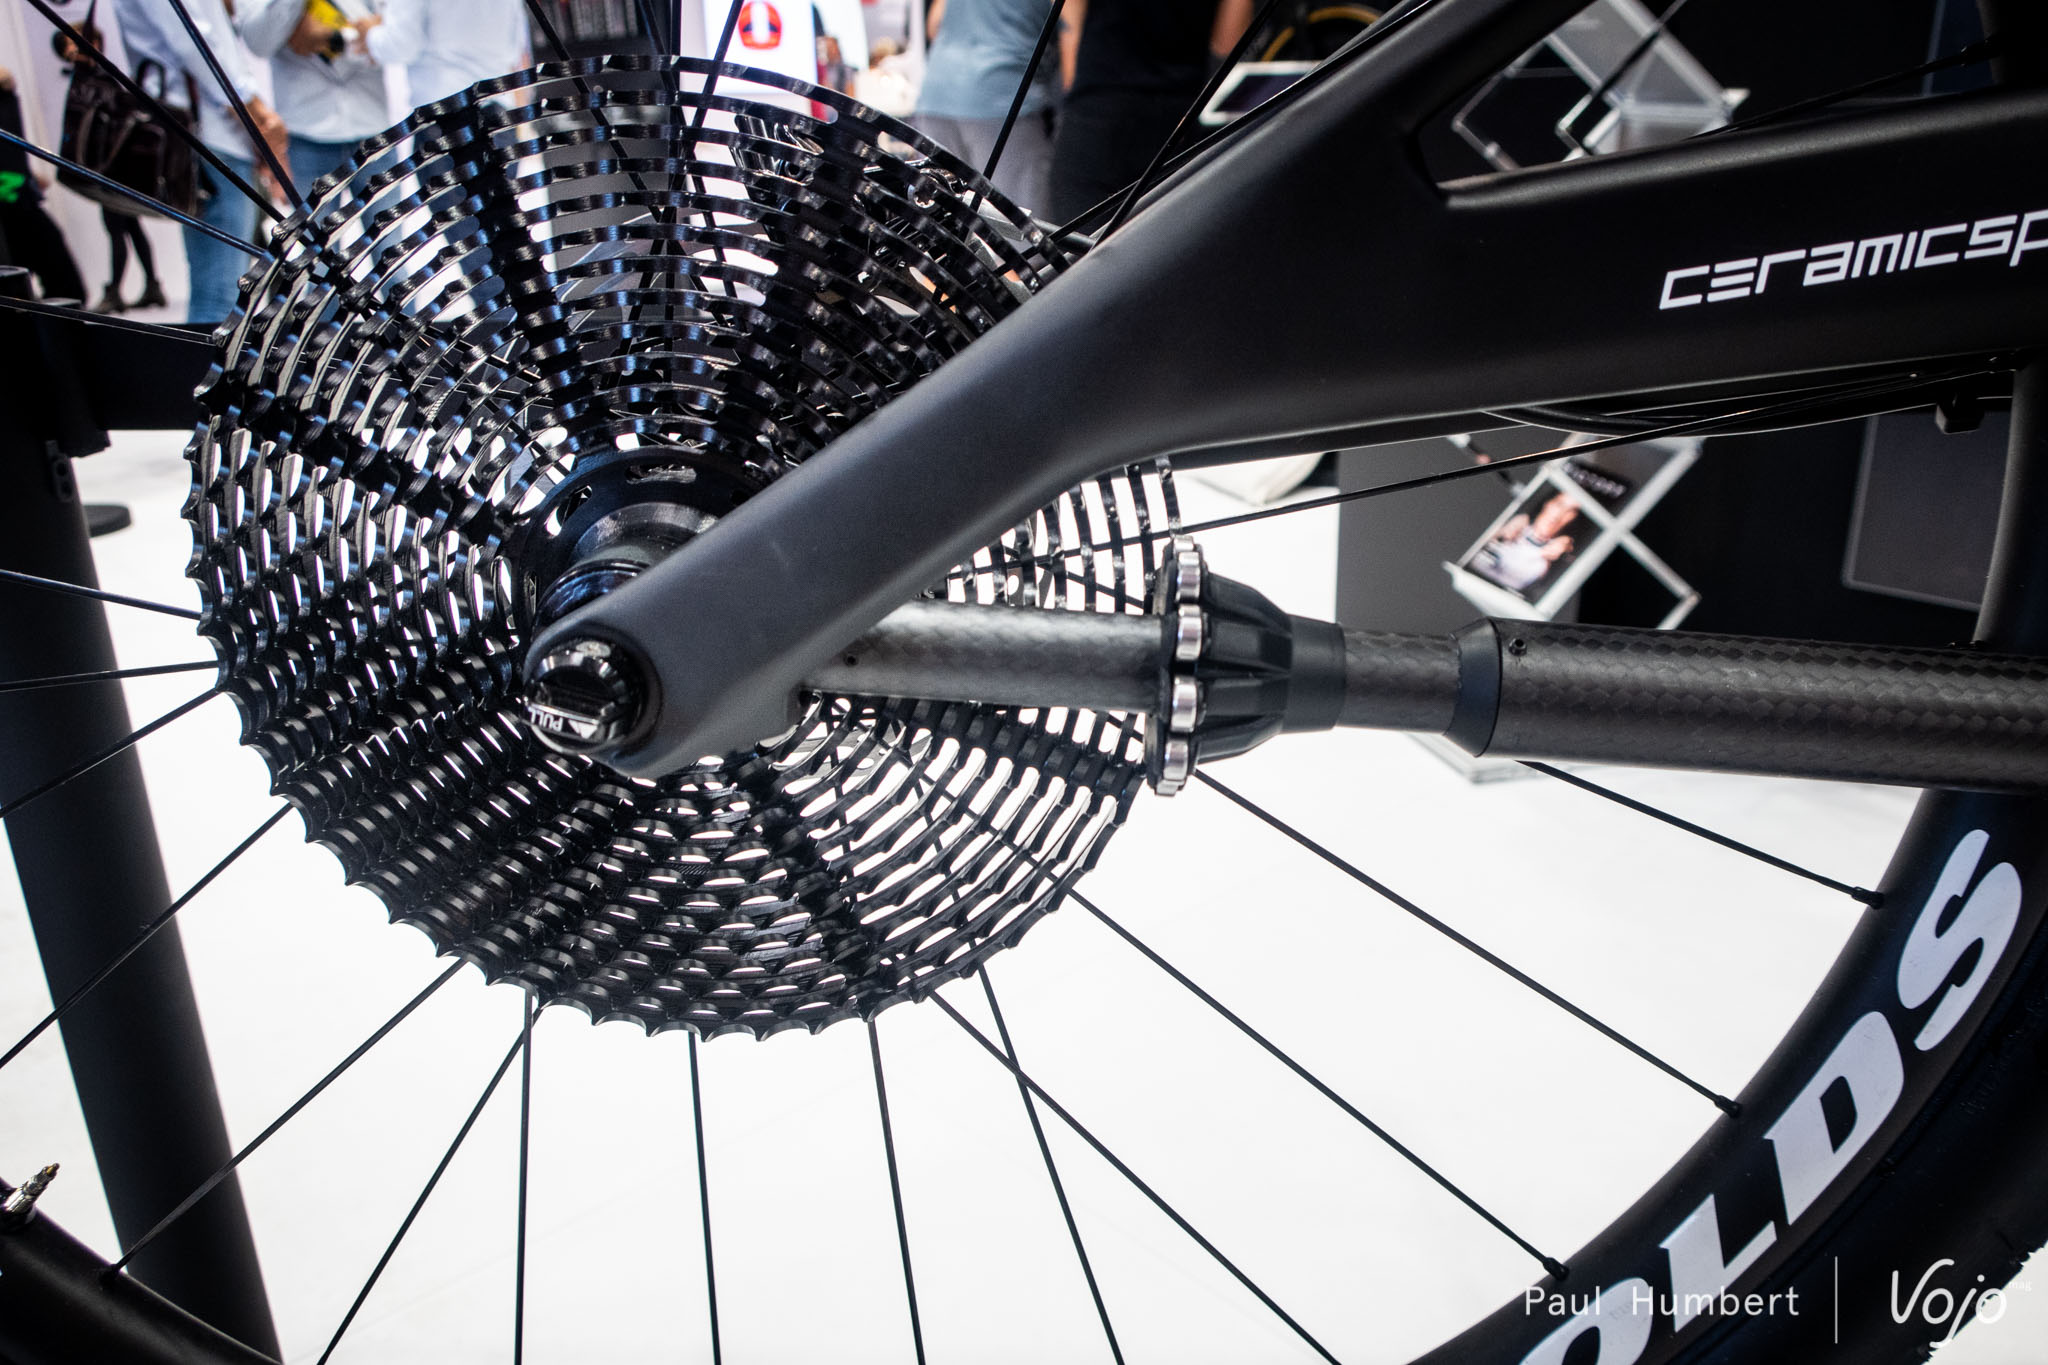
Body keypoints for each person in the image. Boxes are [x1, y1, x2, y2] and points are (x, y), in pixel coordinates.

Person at [113, 0, 288, 323]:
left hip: (211, 132)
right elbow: (195, 42)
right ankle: (206, 357)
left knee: (220, 289)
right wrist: (253, 110)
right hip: (210, 134)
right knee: (219, 296)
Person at [1048, 0, 1252, 222]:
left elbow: (1070, 27)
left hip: (1096, 118)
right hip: (1177, 124)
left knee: (1081, 240)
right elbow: (1229, 42)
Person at [912, 0, 1058, 212]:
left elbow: (935, 24)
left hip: (939, 91)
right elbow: (1073, 39)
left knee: (943, 218)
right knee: (1015, 222)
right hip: (1002, 96)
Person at [234, 0, 391, 191]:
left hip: (373, 123)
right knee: (309, 212)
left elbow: (399, 32)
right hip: (305, 132)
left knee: (393, 210)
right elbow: (258, 44)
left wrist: (337, 37)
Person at [0, 66, 88, 302]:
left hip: (15, 192)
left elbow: (6, 79)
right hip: (10, 199)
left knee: (63, 283)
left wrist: (25, 173)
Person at [354, 0, 529, 108]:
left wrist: (370, 34)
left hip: (444, 114)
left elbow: (400, 45)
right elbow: (517, 47)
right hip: (498, 111)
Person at [1472, 490, 1582, 595]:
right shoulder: (1513, 518)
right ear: (1548, 503)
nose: (1559, 513)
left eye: (1571, 511)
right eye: (1560, 504)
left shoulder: (1543, 563)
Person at [98, 209, 166, 312]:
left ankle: (113, 294)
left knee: (116, 227)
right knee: (133, 225)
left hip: (115, 199)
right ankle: (152, 287)